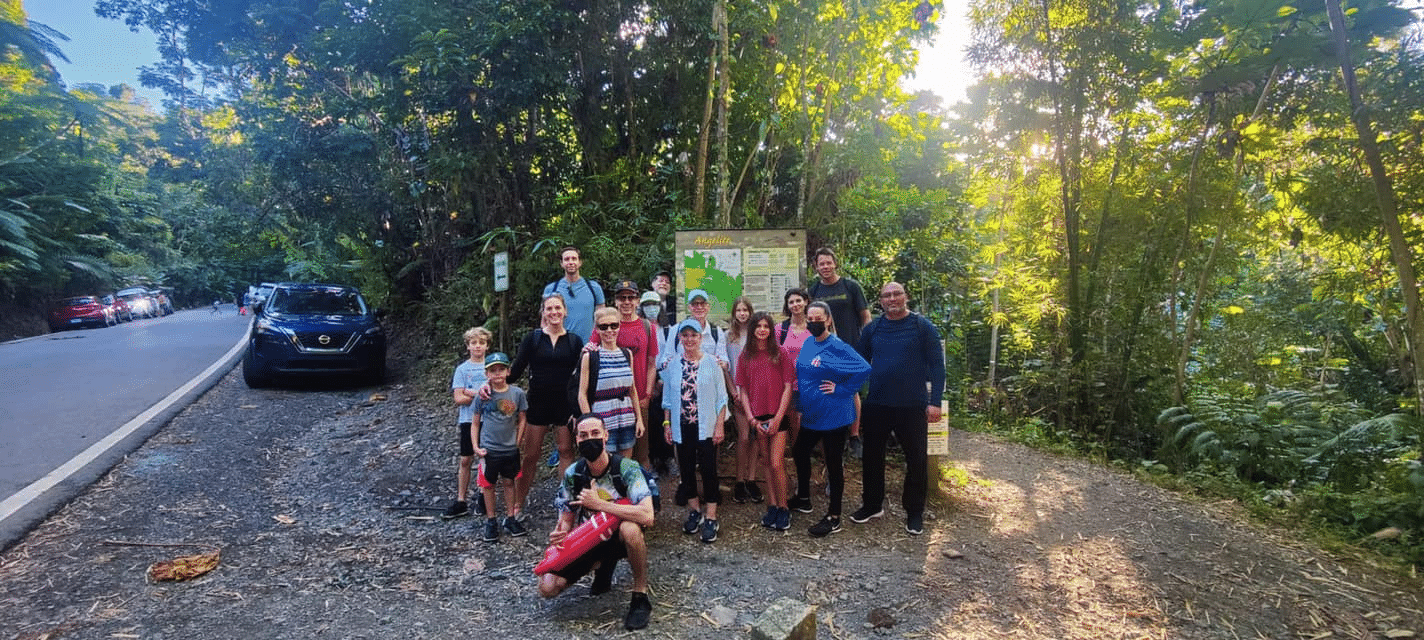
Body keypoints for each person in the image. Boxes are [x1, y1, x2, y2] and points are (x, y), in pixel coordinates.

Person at [539, 415, 655, 631]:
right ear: (576, 439)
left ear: (605, 436)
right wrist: (560, 535)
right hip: (590, 538)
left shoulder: (627, 468)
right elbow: (566, 519)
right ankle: (603, 564)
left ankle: (640, 594)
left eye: (595, 434)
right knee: (548, 587)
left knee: (630, 529)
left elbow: (647, 515)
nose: (589, 439)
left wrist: (600, 504)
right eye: (583, 435)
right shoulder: (573, 474)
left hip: (620, 535)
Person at [851, 282, 945, 535]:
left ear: (906, 296)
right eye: (886, 295)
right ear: (880, 301)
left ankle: (914, 512)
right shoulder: (873, 329)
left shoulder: (922, 326)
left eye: (897, 294)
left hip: (913, 405)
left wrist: (935, 401)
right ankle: (872, 505)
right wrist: (843, 389)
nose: (892, 299)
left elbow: (937, 366)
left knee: (916, 459)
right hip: (878, 403)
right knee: (871, 458)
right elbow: (858, 362)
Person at [788, 301, 870, 537]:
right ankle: (804, 497)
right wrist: (801, 405)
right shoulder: (808, 343)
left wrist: (843, 389)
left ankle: (834, 517)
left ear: (828, 320)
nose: (814, 322)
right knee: (800, 451)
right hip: (812, 413)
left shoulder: (837, 346)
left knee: (833, 463)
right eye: (810, 318)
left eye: (818, 319)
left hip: (834, 414)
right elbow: (803, 376)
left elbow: (863, 368)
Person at [509, 293, 585, 516]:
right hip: (537, 403)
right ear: (544, 312)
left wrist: (579, 409)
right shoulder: (533, 339)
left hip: (564, 404)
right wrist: (491, 383)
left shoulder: (573, 341)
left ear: (565, 311)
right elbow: (515, 370)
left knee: (565, 451)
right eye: (549, 309)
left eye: (557, 308)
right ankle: (517, 505)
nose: (554, 312)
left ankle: (566, 504)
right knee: (531, 455)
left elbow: (581, 376)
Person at [662, 318, 728, 544]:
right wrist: (667, 424)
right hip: (682, 427)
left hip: (707, 427)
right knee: (686, 470)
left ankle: (711, 516)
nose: (689, 339)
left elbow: (722, 399)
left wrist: (720, 425)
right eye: (685, 335)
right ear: (680, 338)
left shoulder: (712, 363)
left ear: (700, 338)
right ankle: (694, 511)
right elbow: (668, 399)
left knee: (709, 470)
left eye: (694, 335)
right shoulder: (673, 365)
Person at [807, 247, 872, 458]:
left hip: (850, 346)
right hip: (824, 348)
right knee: (826, 388)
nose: (825, 267)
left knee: (850, 390)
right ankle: (830, 434)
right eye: (821, 264)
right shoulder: (814, 289)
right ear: (816, 267)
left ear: (835, 263)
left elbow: (865, 317)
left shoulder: (850, 287)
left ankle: (854, 436)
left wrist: (867, 342)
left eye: (828, 263)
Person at [735, 312, 794, 531]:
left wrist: (779, 417)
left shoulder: (781, 353)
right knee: (766, 463)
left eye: (766, 326)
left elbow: (788, 386)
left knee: (777, 462)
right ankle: (772, 505)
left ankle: (784, 506)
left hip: (778, 416)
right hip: (757, 417)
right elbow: (743, 390)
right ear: (752, 330)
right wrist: (750, 418)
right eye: (758, 326)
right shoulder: (745, 357)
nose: (762, 329)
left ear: (771, 329)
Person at [471, 352, 529, 540]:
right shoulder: (483, 395)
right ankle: (491, 520)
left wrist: (518, 441)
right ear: (487, 374)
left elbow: (522, 418)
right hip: (489, 449)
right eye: (493, 371)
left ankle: (510, 517)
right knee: (488, 485)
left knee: (509, 482)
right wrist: (475, 446)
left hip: (510, 448)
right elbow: (475, 422)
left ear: (508, 371)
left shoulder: (517, 393)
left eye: (501, 369)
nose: (497, 374)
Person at [577, 306, 645, 459]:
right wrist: (591, 425)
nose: (609, 330)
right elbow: (582, 394)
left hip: (626, 417)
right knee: (604, 464)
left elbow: (632, 389)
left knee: (625, 464)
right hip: (602, 420)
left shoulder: (627, 354)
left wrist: (639, 419)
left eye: (614, 325)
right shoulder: (591, 357)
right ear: (597, 329)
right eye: (604, 326)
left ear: (619, 326)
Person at [445, 326, 493, 520]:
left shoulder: (491, 367)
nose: (478, 346)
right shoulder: (462, 369)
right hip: (467, 420)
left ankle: (483, 495)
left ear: (487, 345)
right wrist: (478, 394)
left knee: (485, 459)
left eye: (481, 342)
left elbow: (496, 393)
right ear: (468, 346)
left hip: (488, 420)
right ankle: (461, 499)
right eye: (474, 343)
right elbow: (458, 397)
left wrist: (469, 393)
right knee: (466, 459)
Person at [725, 297, 762, 504]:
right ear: (734, 313)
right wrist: (733, 392)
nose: (742, 314)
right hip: (739, 393)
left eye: (745, 310)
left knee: (756, 437)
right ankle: (739, 481)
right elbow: (727, 368)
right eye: (738, 310)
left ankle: (751, 479)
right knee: (744, 437)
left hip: (757, 393)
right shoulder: (728, 337)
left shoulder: (758, 335)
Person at [641, 290, 676, 474]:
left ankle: (668, 457)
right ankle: (652, 459)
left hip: (665, 381)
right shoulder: (641, 328)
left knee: (666, 419)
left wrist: (661, 380)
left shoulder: (668, 329)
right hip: (645, 381)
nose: (651, 309)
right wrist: (651, 382)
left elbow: (670, 355)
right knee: (650, 422)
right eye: (647, 305)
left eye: (654, 304)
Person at [543, 246, 604, 342]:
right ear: (561, 264)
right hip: (560, 347)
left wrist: (595, 343)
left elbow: (602, 320)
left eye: (574, 259)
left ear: (580, 262)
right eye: (566, 259)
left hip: (588, 348)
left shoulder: (594, 288)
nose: (570, 262)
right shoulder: (551, 289)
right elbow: (544, 321)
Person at [776, 288, 814, 444]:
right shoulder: (780, 329)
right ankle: (799, 456)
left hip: (811, 384)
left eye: (798, 300)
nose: (795, 304)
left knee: (814, 421)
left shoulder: (814, 327)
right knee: (795, 423)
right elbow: (774, 356)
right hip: (789, 385)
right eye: (791, 302)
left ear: (805, 302)